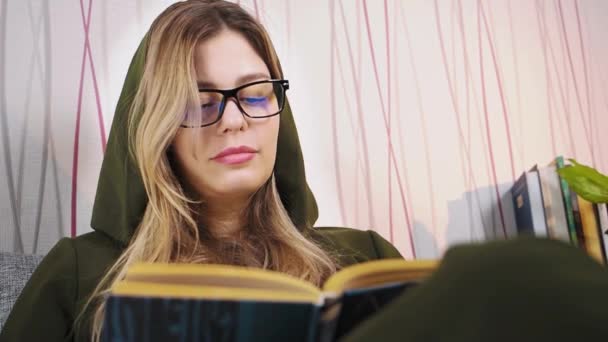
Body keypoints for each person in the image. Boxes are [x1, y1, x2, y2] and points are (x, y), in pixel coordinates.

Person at [2, 1, 608, 342]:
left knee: (531, 269)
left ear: (278, 110)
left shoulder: (362, 256)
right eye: (197, 100)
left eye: (254, 93)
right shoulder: (79, 271)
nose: (233, 121)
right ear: (158, 126)